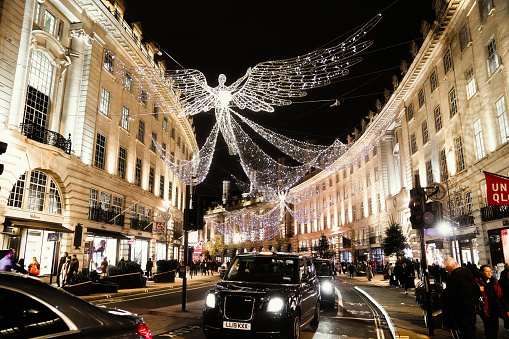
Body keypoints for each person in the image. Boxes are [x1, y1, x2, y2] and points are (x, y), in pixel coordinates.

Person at [442, 257, 479, 339]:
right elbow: (477, 290)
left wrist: (443, 295)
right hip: (471, 307)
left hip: (460, 309)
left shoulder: (454, 277)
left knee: (464, 332)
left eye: (446, 269)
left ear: (449, 267)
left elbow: (451, 295)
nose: (447, 271)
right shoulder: (468, 274)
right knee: (471, 330)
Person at [476, 264, 509, 339]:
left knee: (495, 328)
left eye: (490, 271)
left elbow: (500, 295)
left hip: (495, 309)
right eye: (487, 271)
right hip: (485, 309)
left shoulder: (494, 282)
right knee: (488, 328)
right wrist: (478, 291)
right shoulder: (478, 283)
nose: (489, 273)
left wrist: (506, 309)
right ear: (481, 272)